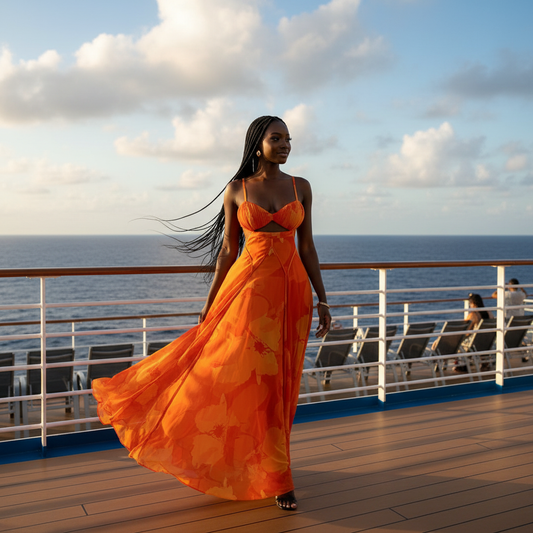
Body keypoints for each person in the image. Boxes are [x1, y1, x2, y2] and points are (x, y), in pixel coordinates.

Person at [92, 116, 331, 512]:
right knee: (249, 384)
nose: (286, 144)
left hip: (292, 297)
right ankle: (273, 476)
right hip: (246, 295)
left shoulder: (300, 187)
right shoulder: (237, 189)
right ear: (258, 144)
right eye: (277, 138)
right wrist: (209, 302)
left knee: (281, 386)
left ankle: (274, 471)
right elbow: (226, 251)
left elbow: (307, 248)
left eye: (289, 139)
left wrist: (323, 299)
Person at [453, 293, 493, 373]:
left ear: (473, 304)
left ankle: (461, 364)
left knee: (457, 341)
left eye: (470, 304)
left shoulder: (473, 315)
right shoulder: (489, 313)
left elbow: (465, 332)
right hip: (487, 342)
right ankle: (484, 361)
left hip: (475, 345)